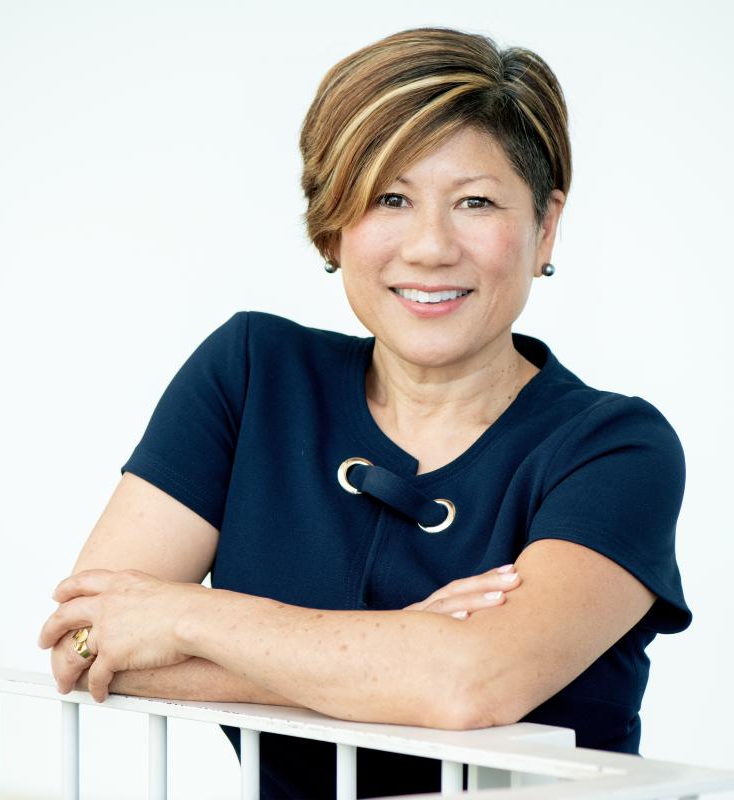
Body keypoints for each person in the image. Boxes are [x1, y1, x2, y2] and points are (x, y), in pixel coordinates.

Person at [37, 26, 692, 799]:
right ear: (332, 222)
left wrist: (186, 617)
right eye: (390, 198)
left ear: (545, 224)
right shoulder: (250, 373)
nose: (430, 247)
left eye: (475, 202)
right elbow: (86, 642)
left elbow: (467, 686)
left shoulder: (618, 449)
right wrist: (399, 658)